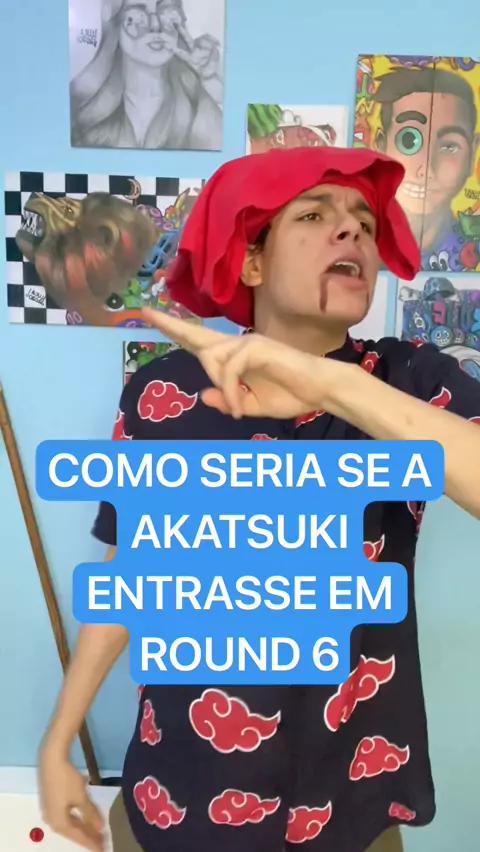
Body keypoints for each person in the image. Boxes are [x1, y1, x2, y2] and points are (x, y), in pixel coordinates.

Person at [38, 146, 480, 852]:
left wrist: (334, 385)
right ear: (251, 263)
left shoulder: (407, 381)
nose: (352, 230)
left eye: (365, 222)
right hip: (177, 797)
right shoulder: (164, 394)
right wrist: (58, 740)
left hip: (346, 812)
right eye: (314, 215)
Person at [372, 66, 479, 270]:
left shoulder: (471, 252)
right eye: (408, 140)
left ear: (473, 153)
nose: (427, 170)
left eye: (449, 146)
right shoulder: (361, 247)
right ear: (381, 147)